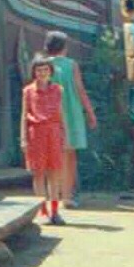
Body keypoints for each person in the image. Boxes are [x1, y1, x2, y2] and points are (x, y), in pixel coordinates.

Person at [44, 31, 96, 209]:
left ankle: (53, 195)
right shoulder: (72, 65)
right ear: (64, 47)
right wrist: (90, 113)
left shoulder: (43, 65)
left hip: (50, 114)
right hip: (71, 112)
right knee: (70, 155)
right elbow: (80, 90)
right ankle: (67, 196)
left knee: (53, 155)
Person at [22, 54, 67, 226]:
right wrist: (24, 139)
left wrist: (65, 133)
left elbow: (61, 112)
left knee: (54, 173)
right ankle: (42, 211)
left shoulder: (58, 89)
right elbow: (24, 115)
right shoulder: (28, 91)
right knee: (38, 173)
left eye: (45, 70)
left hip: (54, 132)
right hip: (36, 133)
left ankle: (55, 211)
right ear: (34, 72)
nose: (42, 73)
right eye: (39, 70)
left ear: (51, 72)